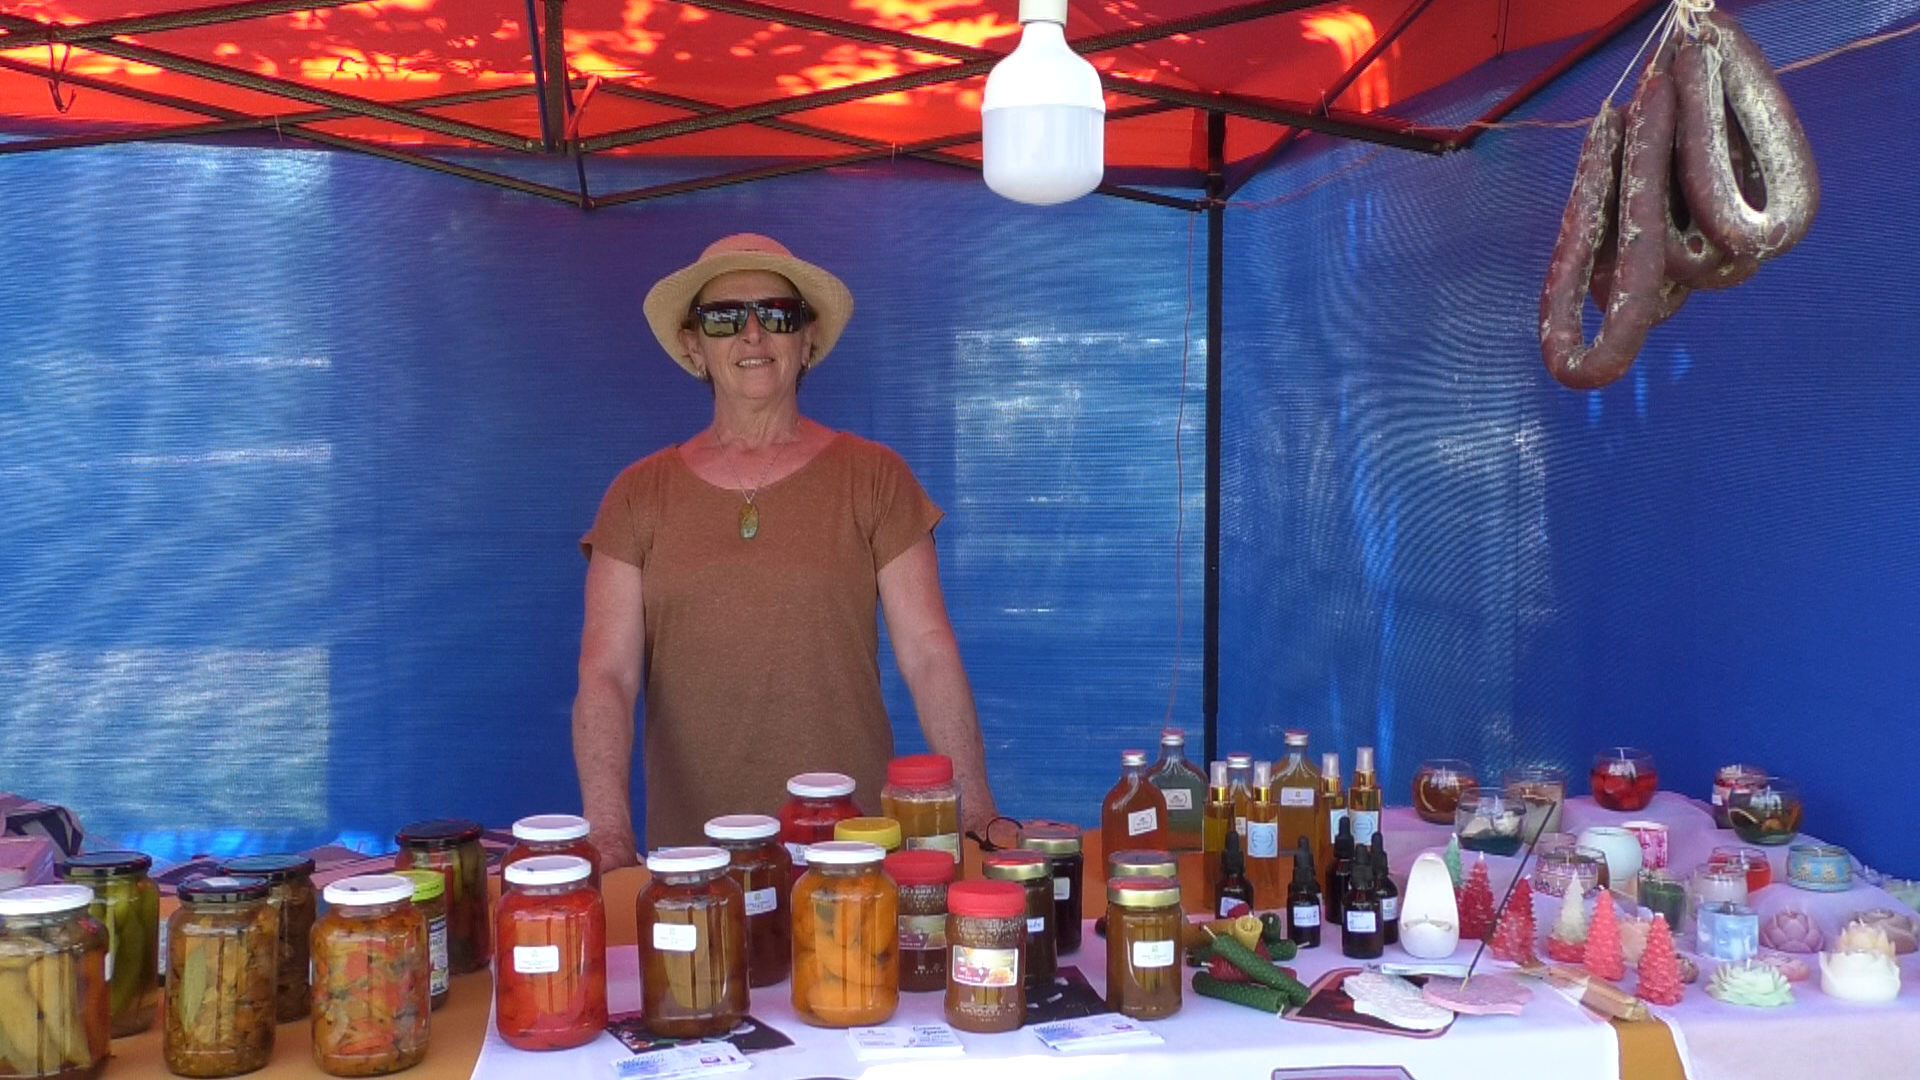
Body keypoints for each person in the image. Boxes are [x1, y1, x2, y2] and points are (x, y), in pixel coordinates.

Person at [572, 232, 999, 865]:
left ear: (807, 340)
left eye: (777, 315)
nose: (752, 335)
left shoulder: (875, 477)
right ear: (693, 345)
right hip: (695, 870)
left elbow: (929, 653)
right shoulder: (636, 494)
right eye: (724, 318)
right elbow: (607, 675)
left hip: (851, 859)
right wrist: (608, 830)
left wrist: (978, 814)